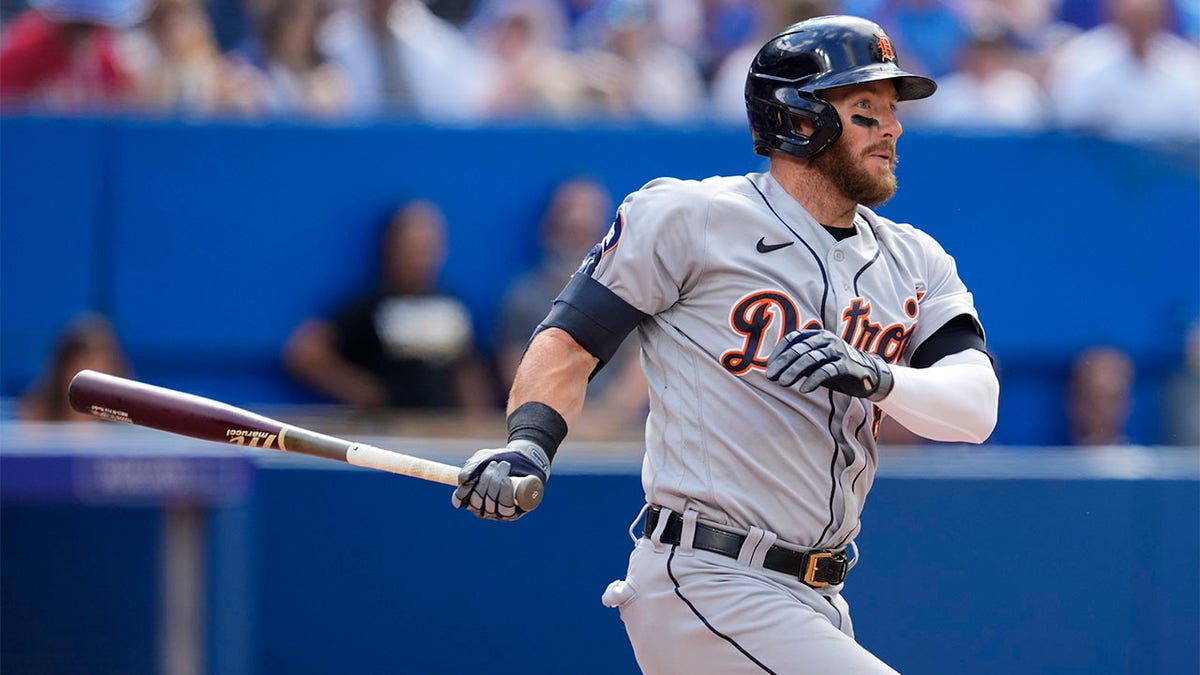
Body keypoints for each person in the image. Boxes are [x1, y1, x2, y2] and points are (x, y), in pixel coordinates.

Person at [450, 15, 999, 674]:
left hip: (817, 595)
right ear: (798, 119)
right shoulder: (690, 218)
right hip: (706, 578)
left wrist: (878, 374)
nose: (893, 128)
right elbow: (569, 340)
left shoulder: (916, 259)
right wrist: (529, 443)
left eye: (891, 110)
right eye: (865, 110)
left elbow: (976, 407)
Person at [282, 199, 493, 413]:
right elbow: (304, 352)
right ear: (391, 246)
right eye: (412, 247)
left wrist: (476, 422)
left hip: (444, 433)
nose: (421, 258)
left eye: (428, 247)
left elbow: (468, 371)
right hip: (390, 433)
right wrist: (364, 393)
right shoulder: (369, 306)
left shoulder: (453, 305)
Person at [19, 313, 131, 422]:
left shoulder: (128, 424)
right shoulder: (34, 420)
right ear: (62, 369)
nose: (89, 387)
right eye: (79, 368)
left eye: (98, 373)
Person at [1064, 345, 1136, 446]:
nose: (1104, 410)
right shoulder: (1046, 459)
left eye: (1112, 398)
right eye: (1094, 398)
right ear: (1074, 401)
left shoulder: (1143, 461)